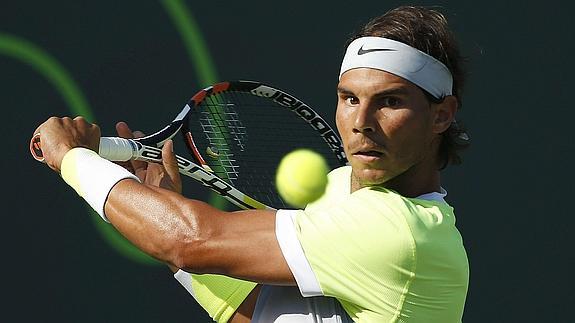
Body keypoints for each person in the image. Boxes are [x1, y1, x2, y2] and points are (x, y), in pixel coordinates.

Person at [33, 5, 469, 322]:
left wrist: (73, 158)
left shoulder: (403, 235)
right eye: (349, 99)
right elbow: (263, 315)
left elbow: (190, 240)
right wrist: (159, 208)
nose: (361, 123)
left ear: (442, 115)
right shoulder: (341, 189)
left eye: (390, 102)